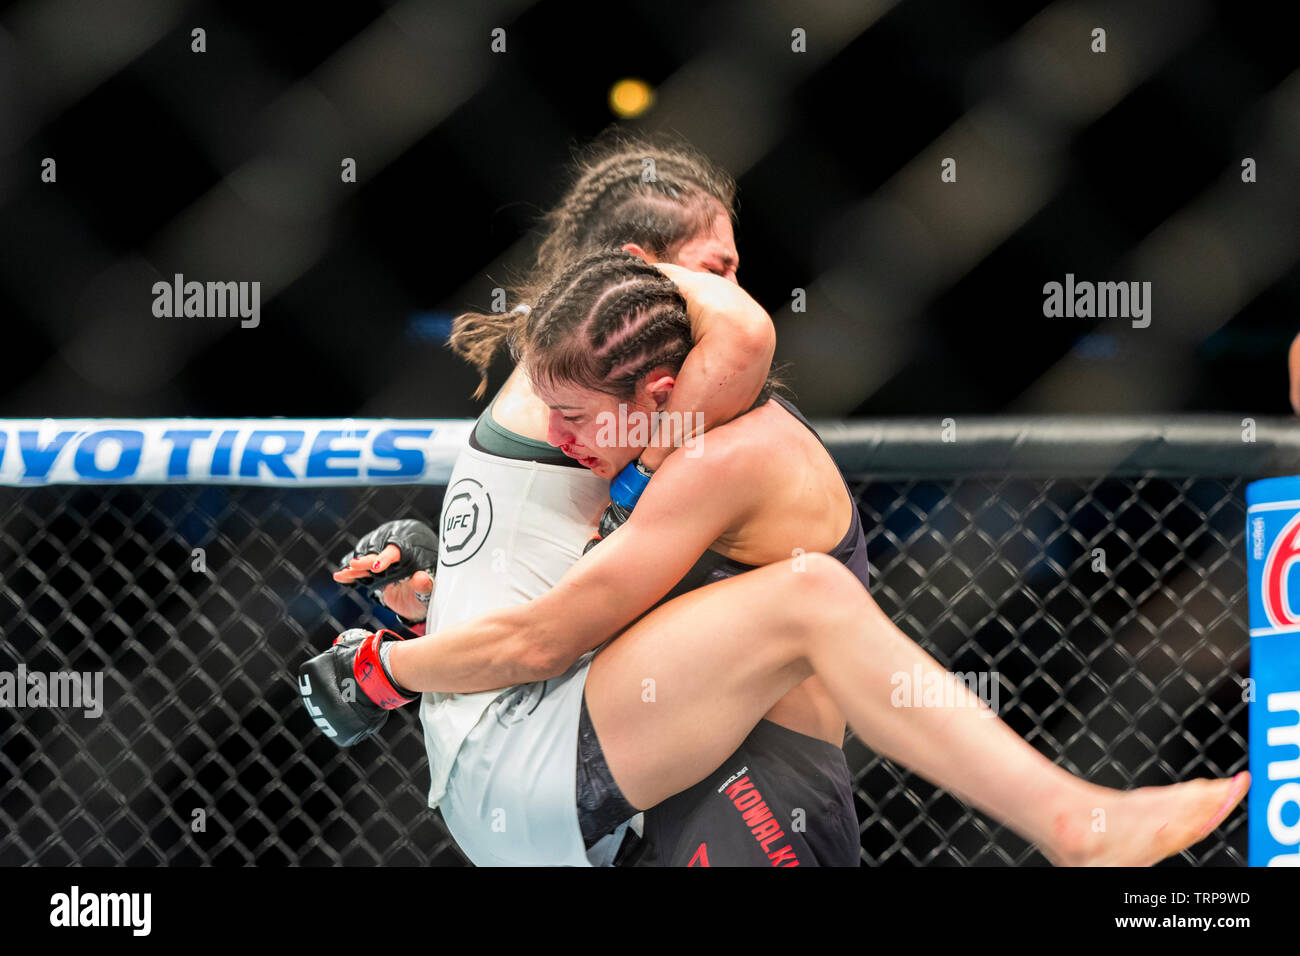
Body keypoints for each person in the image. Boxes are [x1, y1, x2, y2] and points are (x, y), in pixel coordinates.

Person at [312, 250, 1250, 867]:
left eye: (575, 418)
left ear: (666, 386)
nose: (557, 436)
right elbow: (554, 638)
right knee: (805, 600)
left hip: (620, 779)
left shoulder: (720, 458)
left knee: (807, 601)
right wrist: (412, 638)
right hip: (548, 769)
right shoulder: (639, 439)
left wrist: (388, 663)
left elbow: (546, 638)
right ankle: (1070, 821)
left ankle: (1070, 821)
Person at [328, 130, 860, 865]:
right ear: (639, 272)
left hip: (657, 779)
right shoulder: (604, 402)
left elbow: (584, 606)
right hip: (629, 769)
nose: (732, 290)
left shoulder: (636, 418)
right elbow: (741, 334)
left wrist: (430, 614)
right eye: (717, 269)